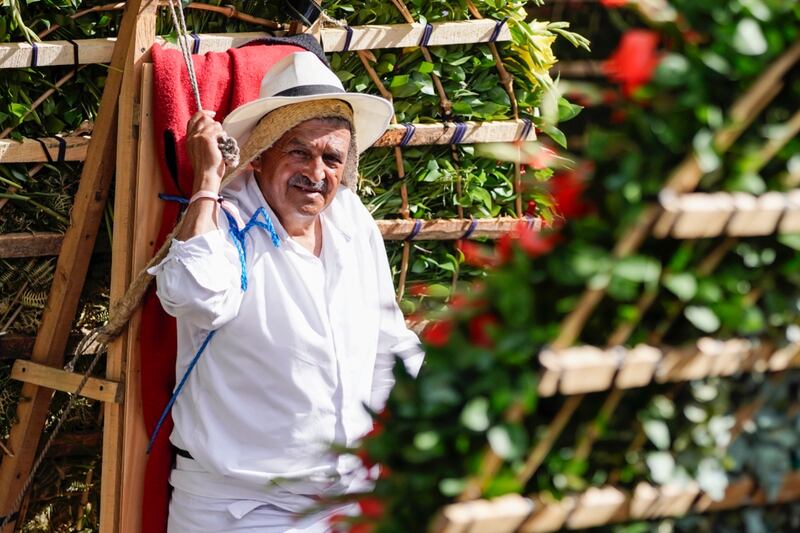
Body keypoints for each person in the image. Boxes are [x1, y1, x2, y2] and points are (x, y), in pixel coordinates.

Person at [149, 51, 424, 532]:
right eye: (298, 151)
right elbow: (193, 296)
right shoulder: (227, 219)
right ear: (261, 155)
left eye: (332, 157)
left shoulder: (351, 221)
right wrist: (208, 180)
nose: (316, 172)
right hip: (241, 508)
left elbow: (387, 343)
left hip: (348, 496)